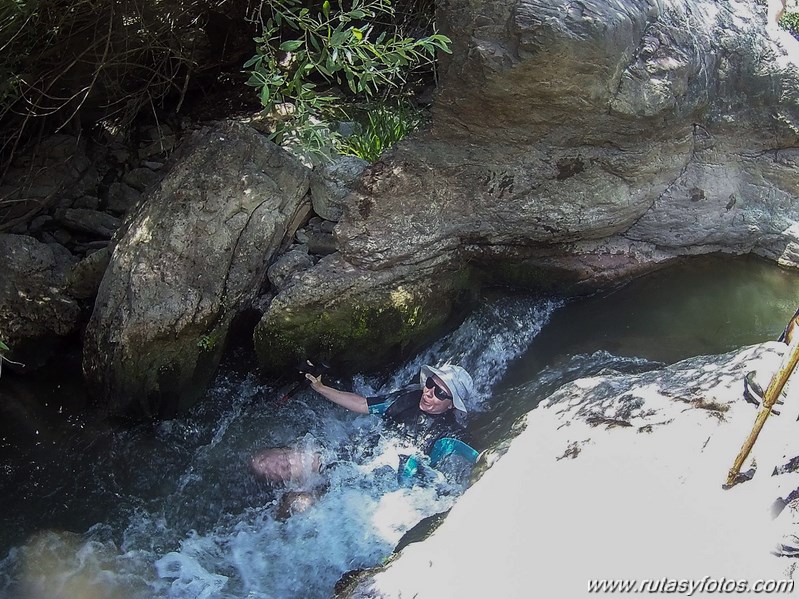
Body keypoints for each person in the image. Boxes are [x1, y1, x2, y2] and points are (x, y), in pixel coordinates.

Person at [304, 363, 476, 460]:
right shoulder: (409, 398)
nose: (428, 392)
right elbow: (363, 404)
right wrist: (320, 388)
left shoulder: (450, 435)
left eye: (439, 393)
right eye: (430, 383)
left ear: (452, 405)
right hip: (361, 456)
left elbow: (477, 458)